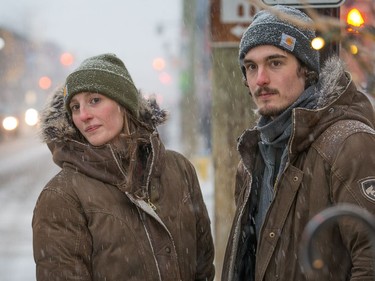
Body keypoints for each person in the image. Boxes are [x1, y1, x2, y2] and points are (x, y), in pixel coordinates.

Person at [222, 5, 375, 281]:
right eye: (251, 67)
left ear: (306, 69)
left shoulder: (349, 144)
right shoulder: (253, 157)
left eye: (275, 62)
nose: (261, 79)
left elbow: (371, 259)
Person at [32, 53, 215, 281]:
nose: (84, 115)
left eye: (94, 100)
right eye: (75, 107)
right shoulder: (62, 195)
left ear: (123, 103)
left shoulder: (178, 169)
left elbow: (204, 264)